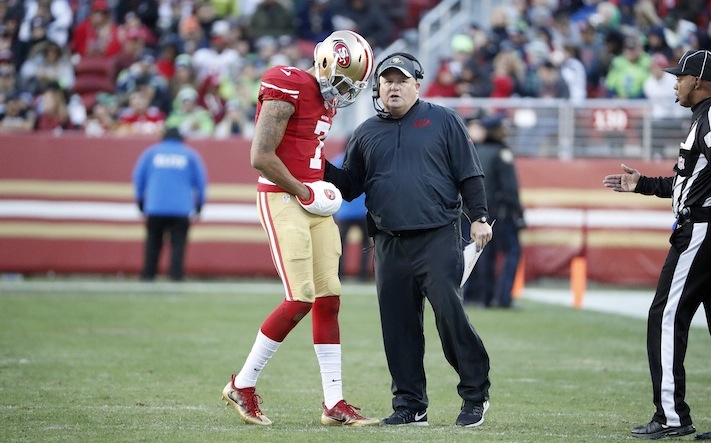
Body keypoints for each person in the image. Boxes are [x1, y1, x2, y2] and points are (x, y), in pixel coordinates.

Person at [325, 52, 493, 427]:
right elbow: (350, 187)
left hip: (437, 236)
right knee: (397, 327)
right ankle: (410, 404)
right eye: (387, 80)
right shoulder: (366, 132)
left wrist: (479, 217)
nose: (394, 86)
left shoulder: (444, 120)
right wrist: (315, 162)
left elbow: (470, 173)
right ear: (378, 86)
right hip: (388, 242)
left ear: (417, 83)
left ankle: (475, 394)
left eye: (402, 80)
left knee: (450, 316)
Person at [221, 30, 379, 427]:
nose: (343, 93)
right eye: (342, 82)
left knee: (329, 296)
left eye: (351, 87)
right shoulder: (287, 82)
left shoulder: (325, 100)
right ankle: (242, 384)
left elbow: (310, 153)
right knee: (300, 298)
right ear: (325, 62)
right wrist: (302, 190)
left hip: (310, 197)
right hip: (282, 196)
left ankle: (334, 403)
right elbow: (261, 156)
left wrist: (336, 182)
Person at [602, 49, 711, 441]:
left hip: (701, 232)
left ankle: (671, 416)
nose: (674, 83)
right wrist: (643, 184)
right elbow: (687, 183)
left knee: (666, 316)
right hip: (701, 227)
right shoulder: (701, 119)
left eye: (680, 77)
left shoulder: (709, 116)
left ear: (698, 80)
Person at [464, 114, 525, 309]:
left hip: (479, 214)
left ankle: (484, 297)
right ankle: (503, 297)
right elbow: (510, 188)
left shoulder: (476, 151)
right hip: (501, 214)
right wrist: (519, 214)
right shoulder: (502, 153)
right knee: (512, 252)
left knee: (483, 255)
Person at [132, 126, 207, 281]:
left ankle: (148, 275)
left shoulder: (151, 153)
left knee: (153, 243)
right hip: (181, 209)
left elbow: (138, 178)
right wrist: (199, 204)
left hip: (154, 207)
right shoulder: (189, 155)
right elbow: (200, 182)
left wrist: (140, 201)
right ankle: (176, 276)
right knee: (178, 244)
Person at [331, 150, 371, 281]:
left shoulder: (338, 160)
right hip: (362, 210)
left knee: (340, 245)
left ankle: (339, 274)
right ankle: (363, 275)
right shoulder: (365, 160)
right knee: (365, 244)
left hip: (344, 211)